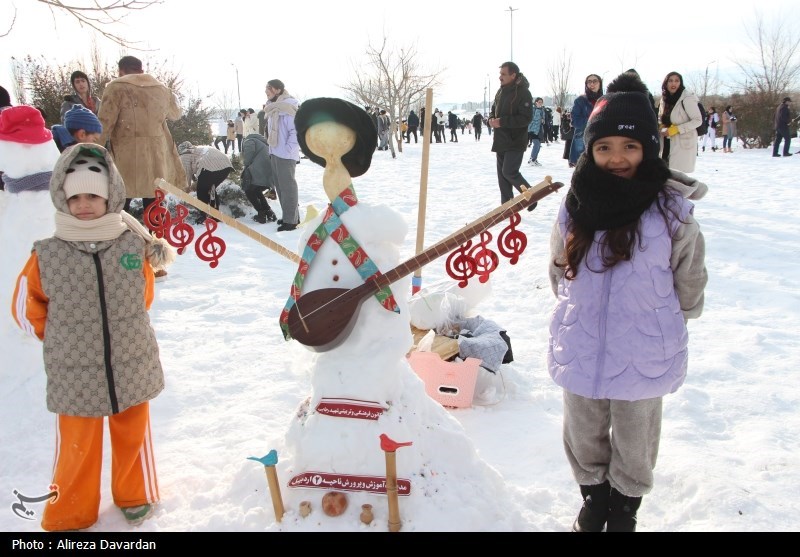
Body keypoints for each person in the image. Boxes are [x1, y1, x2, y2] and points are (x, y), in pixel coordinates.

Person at [548, 71, 708, 533]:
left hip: (644, 346)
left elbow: (690, 273)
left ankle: (624, 508)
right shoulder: (576, 204)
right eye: (604, 147)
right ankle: (594, 500)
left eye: (629, 146)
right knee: (583, 431)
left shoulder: (670, 209)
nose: (616, 157)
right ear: (590, 150)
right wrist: (572, 308)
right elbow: (558, 265)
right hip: (582, 342)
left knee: (636, 437)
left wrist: (676, 316)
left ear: (649, 149)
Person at [11, 144, 176, 531]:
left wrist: (126, 327)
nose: (84, 204)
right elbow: (25, 306)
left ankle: (135, 494)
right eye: (75, 197)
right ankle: (70, 509)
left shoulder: (130, 245)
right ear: (62, 199)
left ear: (110, 197)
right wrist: (57, 336)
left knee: (133, 432)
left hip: (131, 359)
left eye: (93, 196)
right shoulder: (47, 254)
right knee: (77, 443)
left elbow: (143, 294)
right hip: (73, 368)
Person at [97, 55, 186, 224]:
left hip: (127, 158)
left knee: (120, 205)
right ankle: (157, 239)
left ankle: (118, 237)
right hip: (156, 157)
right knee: (155, 206)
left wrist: (91, 152)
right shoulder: (161, 89)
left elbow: (103, 124)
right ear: (142, 70)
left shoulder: (116, 88)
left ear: (121, 71)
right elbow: (175, 114)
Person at [488, 61, 536, 211]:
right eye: (500, 74)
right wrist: (491, 119)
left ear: (513, 75)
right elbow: (493, 110)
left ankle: (531, 197)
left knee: (509, 172)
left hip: (515, 140)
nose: (500, 77)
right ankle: (507, 207)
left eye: (503, 74)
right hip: (500, 140)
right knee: (502, 177)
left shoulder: (523, 92)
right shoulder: (500, 91)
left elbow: (525, 118)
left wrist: (502, 122)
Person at [264, 79, 300, 231]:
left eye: (269, 88)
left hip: (286, 154)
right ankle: (289, 216)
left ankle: (291, 222)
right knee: (280, 187)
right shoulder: (273, 108)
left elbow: (295, 131)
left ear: (278, 90)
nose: (266, 91)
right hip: (275, 151)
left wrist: (288, 149)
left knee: (288, 187)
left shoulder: (288, 107)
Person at [177, 141, 234, 223]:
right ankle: (215, 215)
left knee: (201, 191)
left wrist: (186, 188)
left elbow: (186, 174)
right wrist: (196, 182)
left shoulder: (184, 156)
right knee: (211, 188)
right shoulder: (198, 149)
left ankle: (203, 215)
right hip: (226, 166)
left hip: (208, 166)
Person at [657, 71, 702, 173]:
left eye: (677, 81)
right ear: (666, 83)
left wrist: (676, 129)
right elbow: (660, 117)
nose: (673, 83)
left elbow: (698, 120)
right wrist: (662, 126)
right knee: (665, 173)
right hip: (666, 140)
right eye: (670, 81)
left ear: (680, 83)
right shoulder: (664, 98)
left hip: (683, 141)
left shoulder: (687, 98)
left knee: (678, 175)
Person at [241, 131, 278, 224]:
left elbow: (248, 155)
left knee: (249, 191)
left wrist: (245, 163)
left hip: (258, 171)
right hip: (268, 173)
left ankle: (261, 214)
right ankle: (269, 212)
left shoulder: (249, 140)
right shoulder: (263, 143)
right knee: (256, 190)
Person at [568, 74, 604, 167]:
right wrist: (593, 120)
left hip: (602, 140)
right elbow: (575, 121)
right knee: (583, 169)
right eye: (589, 81)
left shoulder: (605, 100)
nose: (592, 84)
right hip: (583, 140)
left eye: (595, 81)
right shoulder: (580, 100)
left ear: (600, 83)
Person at [527, 97, 546, 167]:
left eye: (541, 102)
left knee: (538, 145)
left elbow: (543, 119)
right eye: (539, 102)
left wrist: (543, 120)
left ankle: (534, 159)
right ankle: (532, 159)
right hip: (532, 129)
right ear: (536, 102)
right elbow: (532, 119)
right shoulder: (533, 109)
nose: (540, 103)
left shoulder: (542, 110)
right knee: (536, 144)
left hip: (539, 129)